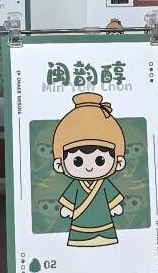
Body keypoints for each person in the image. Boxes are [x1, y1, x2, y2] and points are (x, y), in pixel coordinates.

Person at [52, 92, 127, 248]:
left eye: (100, 160)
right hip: (80, 225)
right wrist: (68, 208)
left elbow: (112, 198)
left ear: (118, 162)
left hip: (104, 224)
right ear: (59, 164)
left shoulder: (104, 184)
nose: (89, 167)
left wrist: (114, 206)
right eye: (77, 161)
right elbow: (69, 199)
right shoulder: (76, 185)